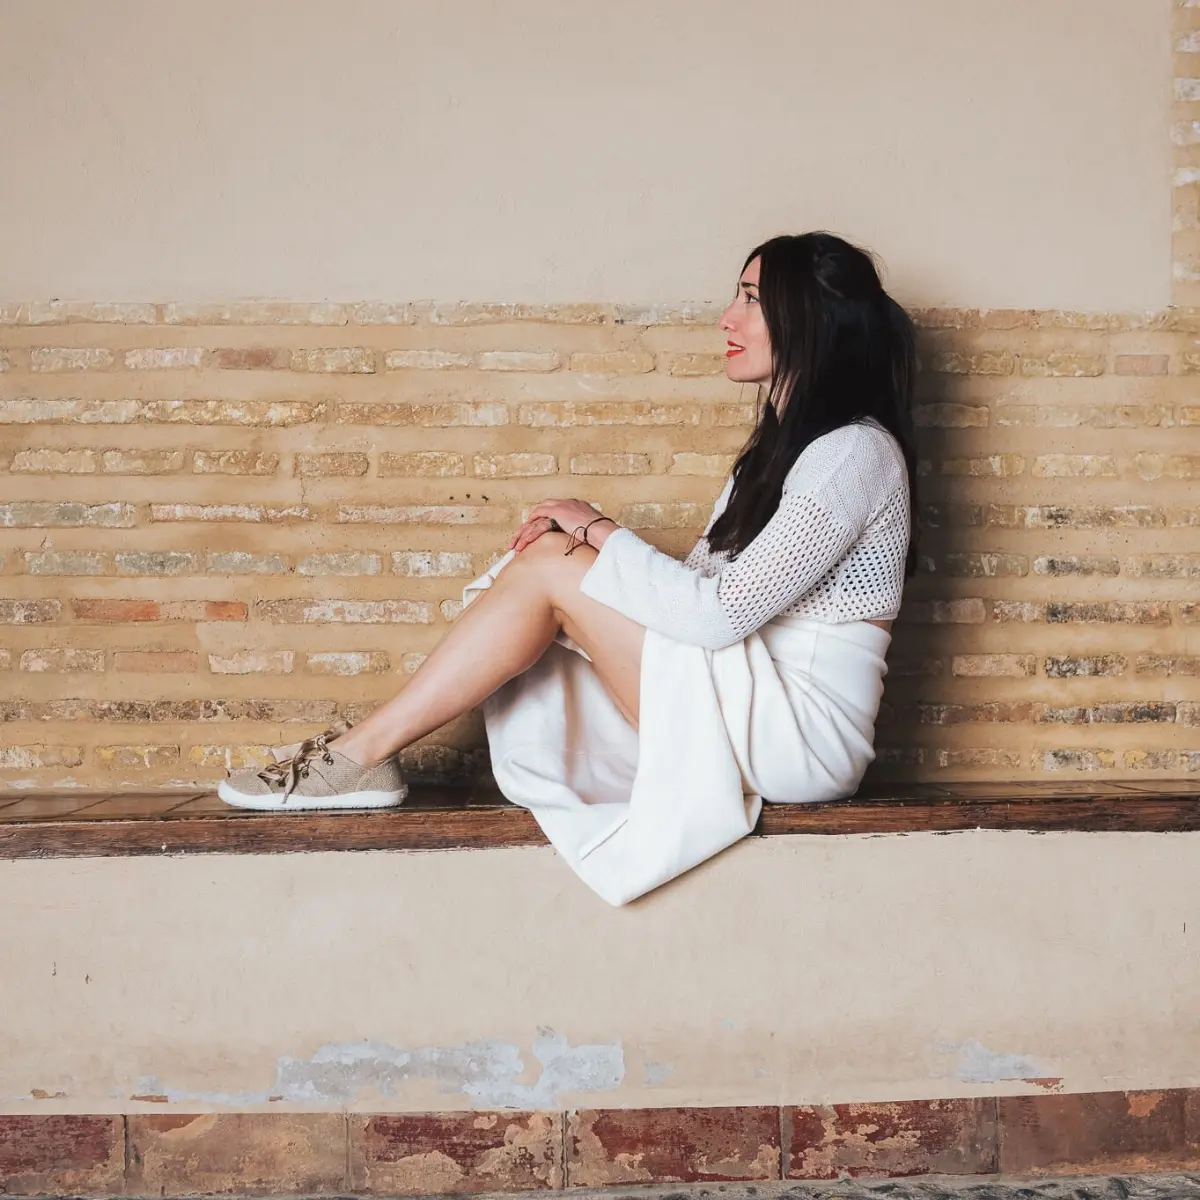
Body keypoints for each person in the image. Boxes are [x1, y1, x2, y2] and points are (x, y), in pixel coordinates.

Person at [218, 231, 919, 903]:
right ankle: (361, 754)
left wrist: (596, 534)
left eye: (752, 299)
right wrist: (589, 550)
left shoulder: (853, 454)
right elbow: (701, 598)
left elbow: (716, 617)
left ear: (811, 318)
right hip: (754, 709)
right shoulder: (778, 456)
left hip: (802, 742)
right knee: (558, 561)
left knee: (558, 562)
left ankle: (360, 755)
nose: (726, 318)